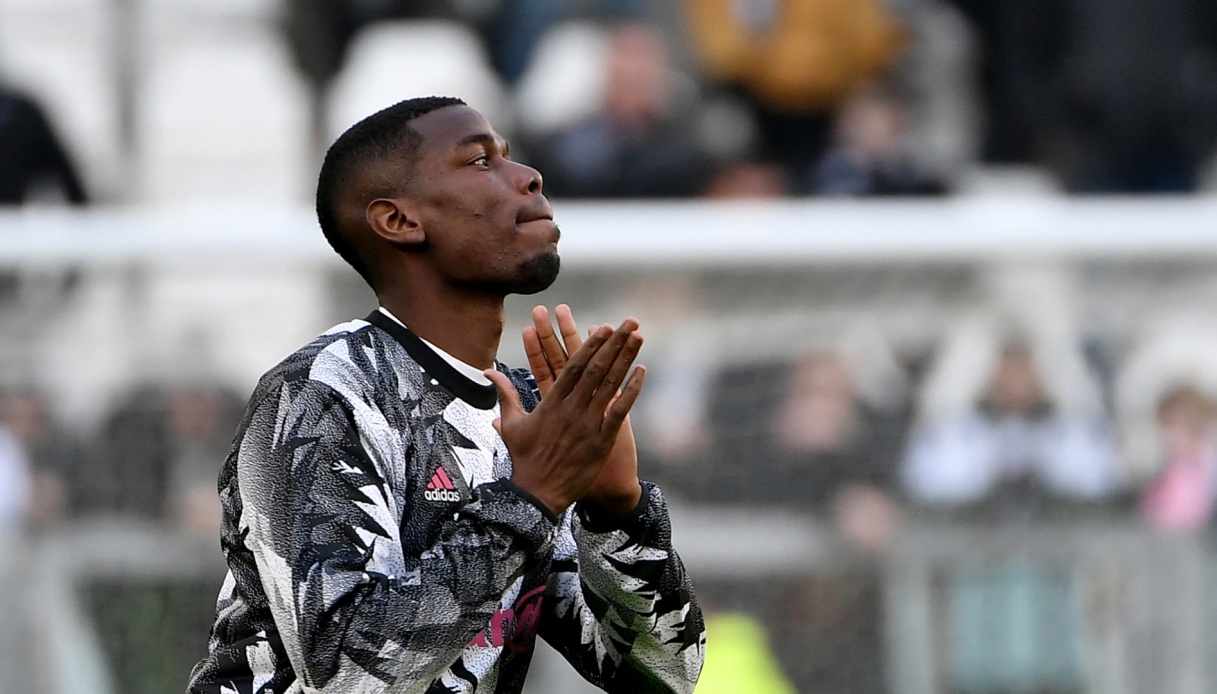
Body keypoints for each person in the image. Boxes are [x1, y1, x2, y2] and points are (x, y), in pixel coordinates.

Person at [186, 96, 705, 693]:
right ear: (399, 221)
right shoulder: (319, 394)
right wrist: (529, 497)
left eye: (508, 156)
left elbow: (667, 675)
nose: (528, 176)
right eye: (481, 161)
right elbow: (348, 679)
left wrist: (619, 513)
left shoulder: (528, 410)